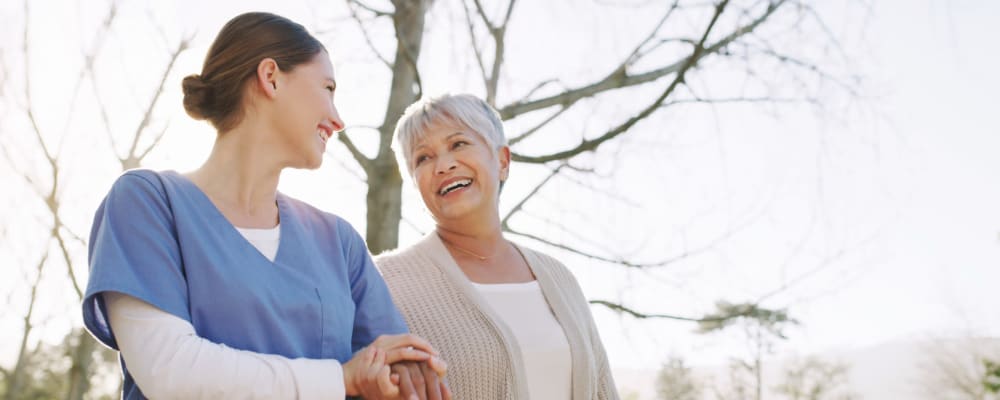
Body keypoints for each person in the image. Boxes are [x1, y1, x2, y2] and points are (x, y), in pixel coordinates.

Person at [81, 12, 446, 399]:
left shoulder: (338, 242)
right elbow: (169, 371)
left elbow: (393, 375)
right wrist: (341, 379)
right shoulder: (148, 203)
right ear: (270, 77)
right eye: (328, 88)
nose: (338, 120)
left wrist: (403, 378)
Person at [375, 94, 620, 399]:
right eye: (423, 158)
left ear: (502, 161)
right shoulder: (384, 282)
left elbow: (602, 389)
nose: (444, 165)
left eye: (458, 144)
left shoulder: (560, 278)